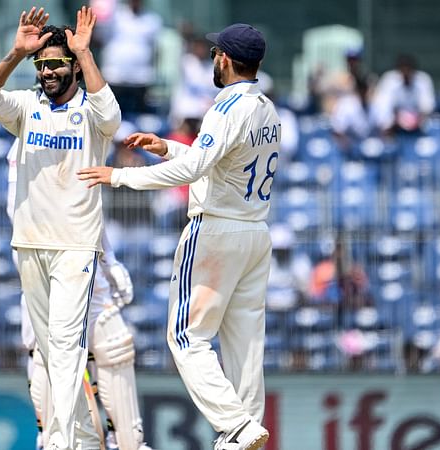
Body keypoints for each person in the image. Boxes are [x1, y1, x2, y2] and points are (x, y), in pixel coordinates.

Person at [78, 23, 279, 450]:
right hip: (255, 233)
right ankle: (245, 431)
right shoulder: (266, 109)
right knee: (246, 342)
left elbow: (195, 172)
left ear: (224, 59)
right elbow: (218, 165)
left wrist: (120, 175)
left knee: (186, 337)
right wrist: (168, 147)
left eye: (214, 55)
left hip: (216, 232)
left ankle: (235, 426)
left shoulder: (226, 109)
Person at [0, 6, 121, 449]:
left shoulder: (91, 112)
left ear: (72, 65)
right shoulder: (26, 106)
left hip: (75, 246)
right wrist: (18, 53)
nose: (48, 71)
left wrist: (84, 53)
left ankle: (59, 442)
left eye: (56, 63)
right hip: (29, 244)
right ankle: (78, 439)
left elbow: (112, 116)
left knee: (65, 346)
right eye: (42, 65)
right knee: (49, 351)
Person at [5, 139, 152, 450]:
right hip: (43, 262)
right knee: (46, 354)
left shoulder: (82, 132)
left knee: (114, 342)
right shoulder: (27, 139)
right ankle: (53, 439)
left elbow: (87, 208)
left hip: (83, 256)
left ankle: (127, 443)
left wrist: (108, 260)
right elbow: (15, 211)